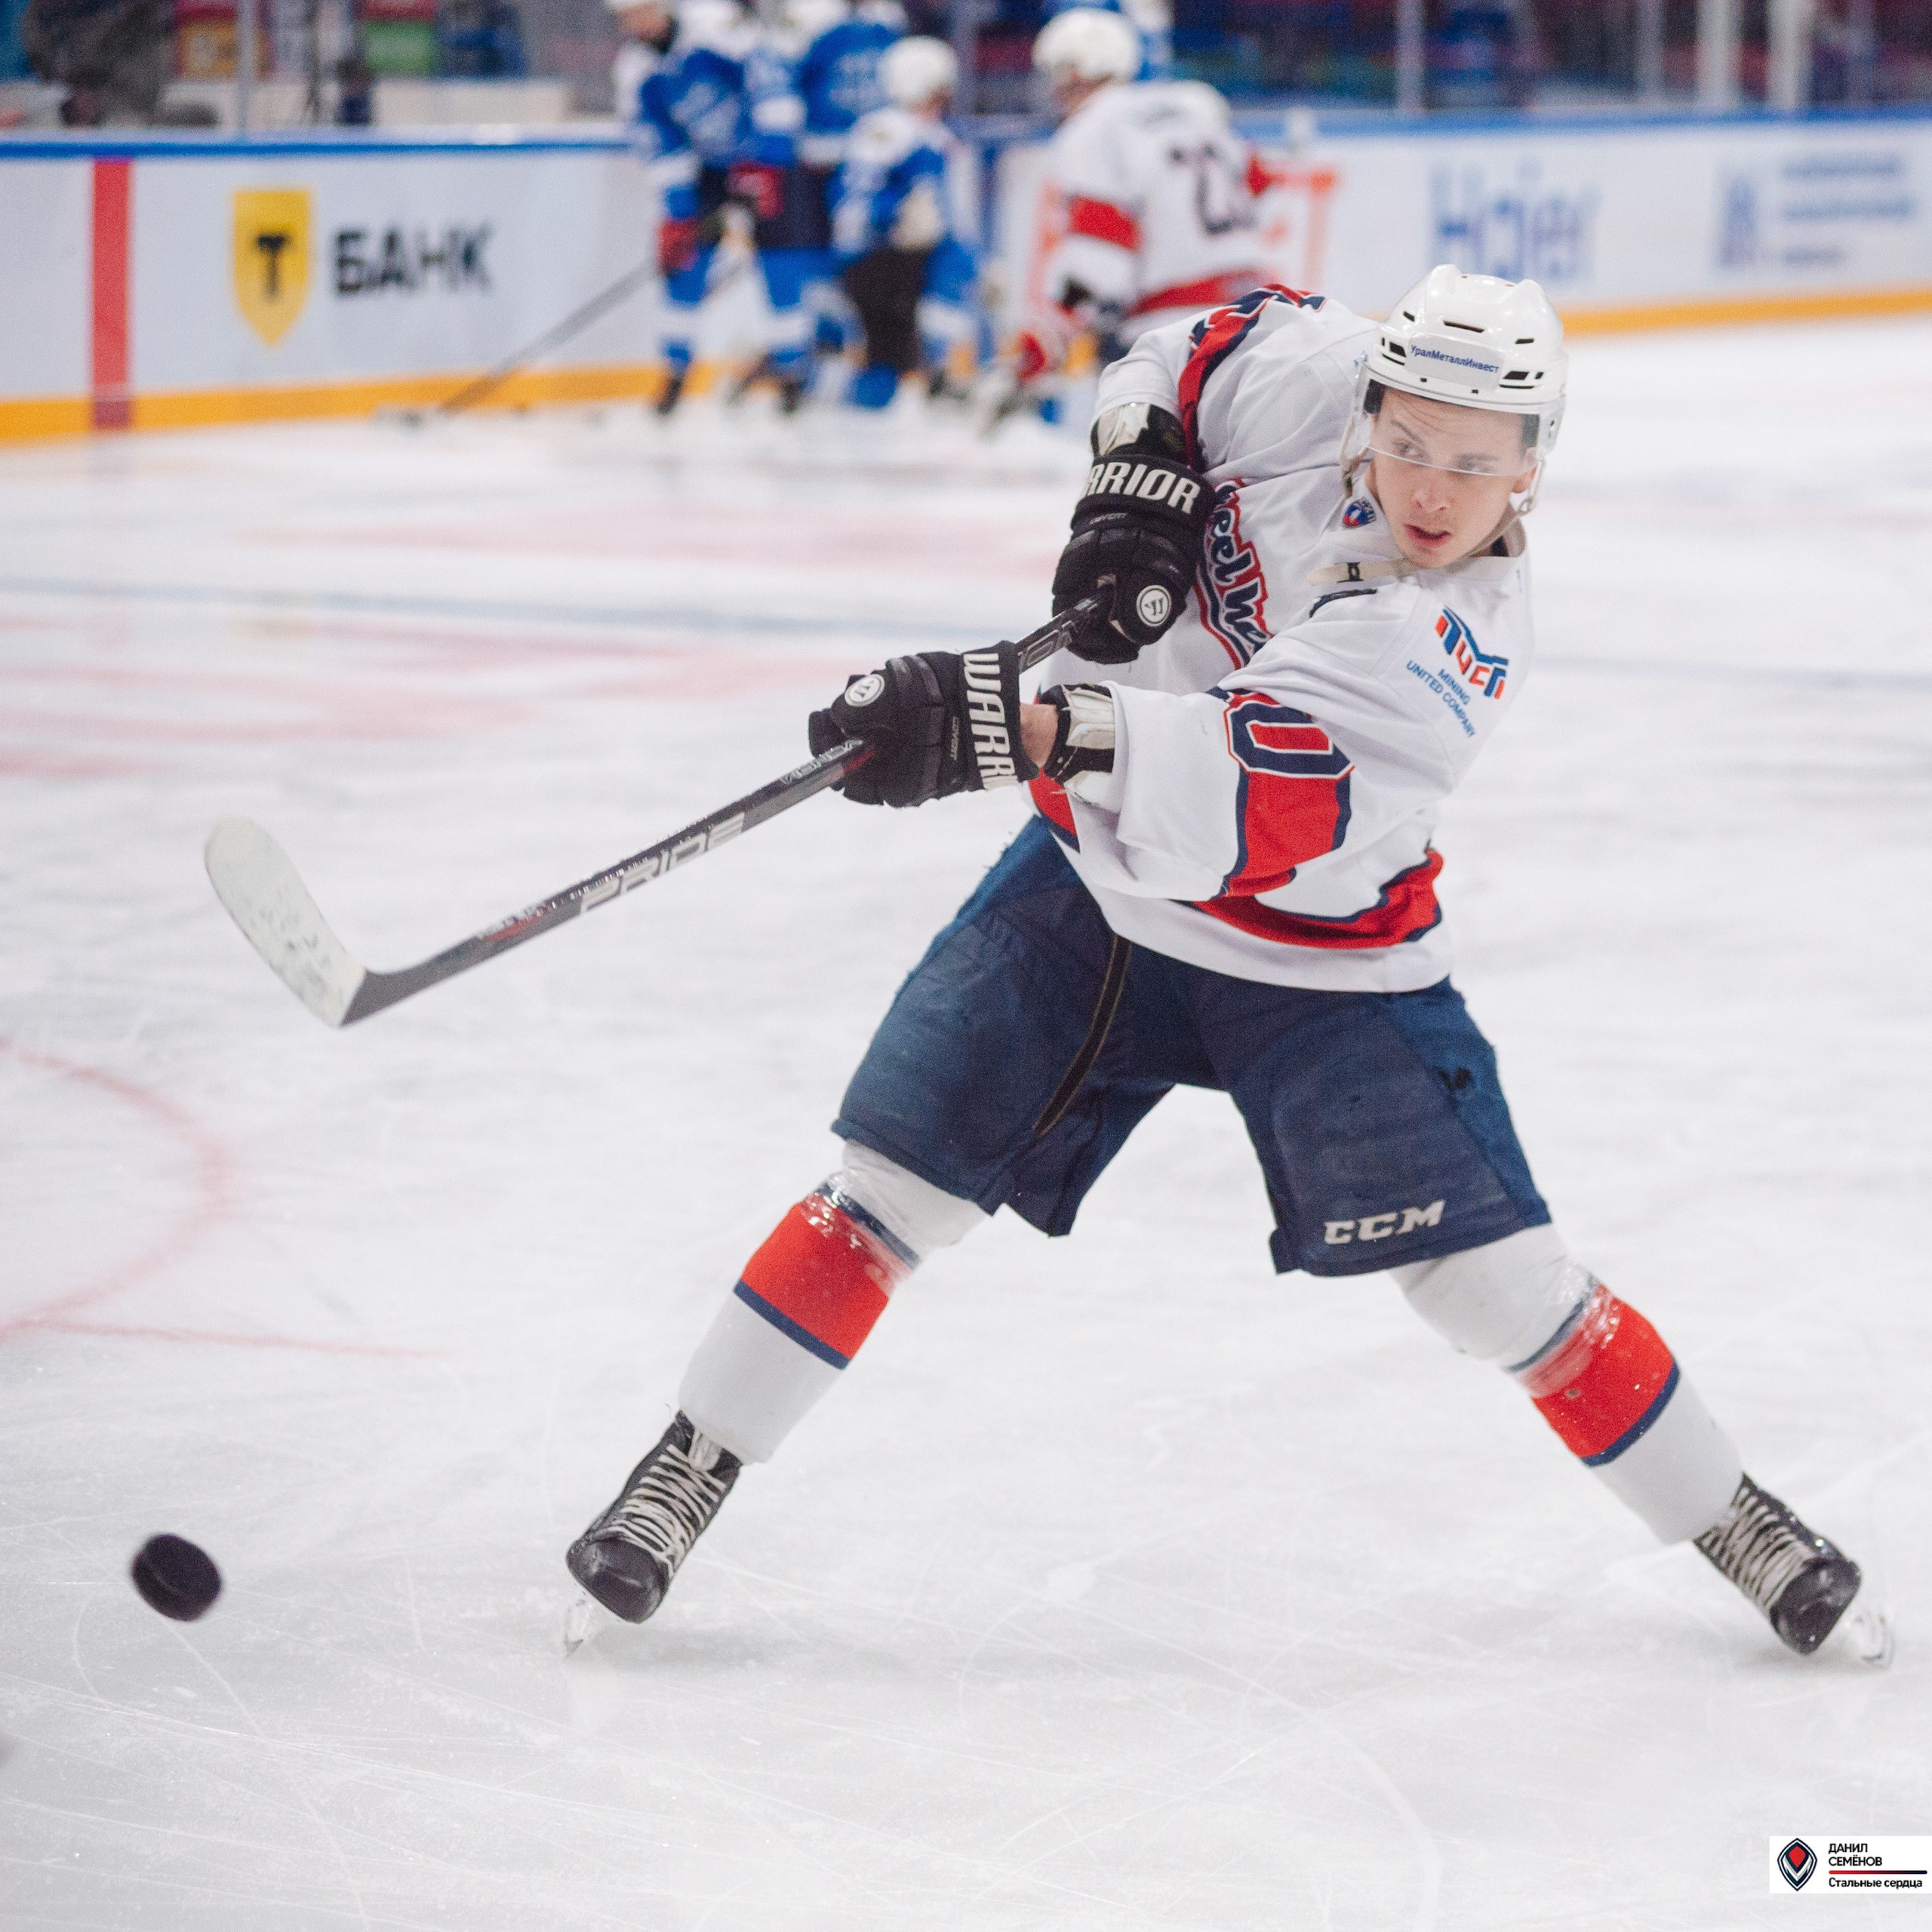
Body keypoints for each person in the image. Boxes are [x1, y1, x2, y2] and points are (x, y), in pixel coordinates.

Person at [566, 265, 1874, 1666]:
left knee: (1497, 1292)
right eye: (1413, 441)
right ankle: (689, 1465)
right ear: (1371, 398)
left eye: (1477, 464)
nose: (1435, 487)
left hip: (1319, 955)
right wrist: (1136, 477)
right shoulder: (1308, 371)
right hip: (1094, 898)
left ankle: (1731, 1511)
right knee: (888, 1189)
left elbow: (1228, 808)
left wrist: (1006, 727)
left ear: (1532, 471)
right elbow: (1186, 346)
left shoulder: (1453, 643)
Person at [994, 8, 1267, 421]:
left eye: (1060, 72)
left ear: (1078, 70)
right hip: (1253, 307)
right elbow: (1257, 178)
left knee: (1141, 471)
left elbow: (1099, 259)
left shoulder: (1094, 128)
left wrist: (1041, 345)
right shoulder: (1191, 107)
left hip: (1173, 325)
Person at [610, 0, 816, 416]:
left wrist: (766, 160)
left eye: (641, 10)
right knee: (686, 265)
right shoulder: (634, 72)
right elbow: (658, 141)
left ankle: (792, 372)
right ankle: (675, 371)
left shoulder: (714, 28)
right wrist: (679, 208)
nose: (635, 22)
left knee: (781, 266)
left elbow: (770, 84)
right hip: (708, 170)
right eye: (626, 15)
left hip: (764, 158)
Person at [830, 35, 977, 408]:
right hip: (884, 259)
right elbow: (855, 203)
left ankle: (937, 377)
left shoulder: (935, 133)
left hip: (916, 257)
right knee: (885, 355)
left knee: (930, 325)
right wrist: (890, 220)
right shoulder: (888, 128)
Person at [781, 0, 904, 361]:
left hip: (877, 159)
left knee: (869, 258)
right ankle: (826, 341)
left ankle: (872, 349)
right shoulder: (807, 15)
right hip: (822, 159)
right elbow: (785, 84)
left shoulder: (887, 16)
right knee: (823, 259)